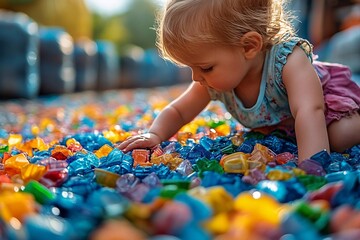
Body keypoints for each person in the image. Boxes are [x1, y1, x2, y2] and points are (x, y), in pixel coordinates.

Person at [119, 0, 360, 163]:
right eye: (190, 68)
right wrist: (155, 134)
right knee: (270, 142)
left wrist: (311, 166)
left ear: (249, 46)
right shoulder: (215, 79)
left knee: (338, 137)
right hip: (287, 126)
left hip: (327, 107)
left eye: (204, 67)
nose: (196, 77)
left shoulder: (288, 61)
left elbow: (310, 110)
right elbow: (179, 111)